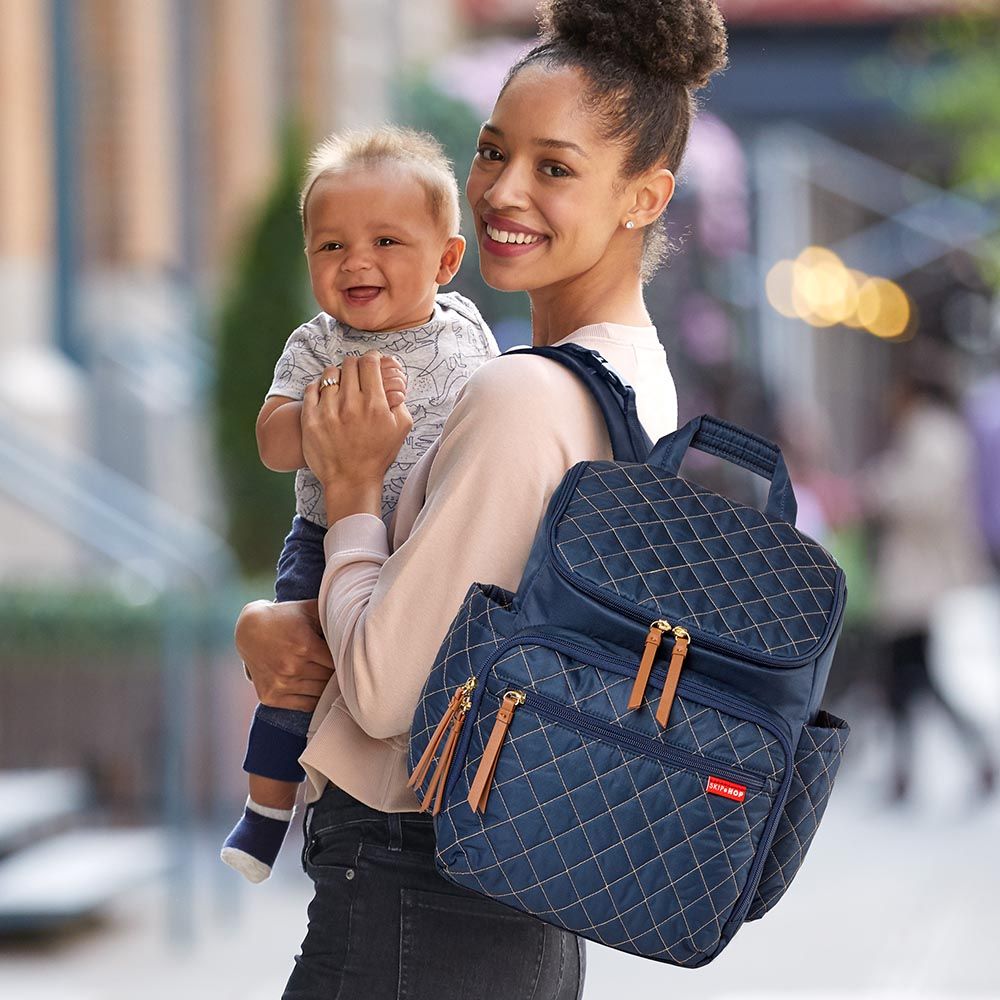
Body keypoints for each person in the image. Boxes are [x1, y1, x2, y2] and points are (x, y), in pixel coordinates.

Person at [235, 0, 729, 995]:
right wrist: (282, 623)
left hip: (414, 904)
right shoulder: (626, 374)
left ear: (643, 196)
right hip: (496, 909)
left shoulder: (520, 394)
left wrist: (352, 491)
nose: (503, 190)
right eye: (492, 151)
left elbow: (385, 690)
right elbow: (485, 647)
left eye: (554, 167)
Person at [221, 126, 499, 883]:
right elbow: (272, 443)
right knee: (296, 667)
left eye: (386, 241)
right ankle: (267, 808)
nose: (358, 262)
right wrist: (328, 419)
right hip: (324, 533)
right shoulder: (316, 346)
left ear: (445, 260)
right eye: (332, 247)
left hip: (428, 533)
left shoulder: (468, 330)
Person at [861, 373, 997, 803]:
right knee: (908, 680)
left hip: (920, 579)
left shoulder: (933, 433)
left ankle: (923, 768)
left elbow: (927, 495)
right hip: (916, 577)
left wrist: (880, 490)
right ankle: (911, 771)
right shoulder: (933, 430)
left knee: (914, 678)